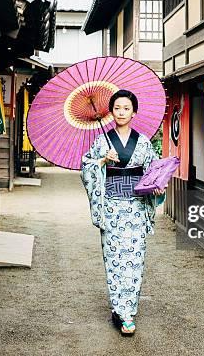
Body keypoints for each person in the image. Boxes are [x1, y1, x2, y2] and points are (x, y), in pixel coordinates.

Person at [80, 89, 165, 336]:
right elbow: (86, 168)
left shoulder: (144, 143)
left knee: (135, 259)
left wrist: (158, 185)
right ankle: (120, 310)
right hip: (111, 207)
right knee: (114, 260)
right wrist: (102, 161)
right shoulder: (101, 142)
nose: (121, 112)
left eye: (126, 108)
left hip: (136, 207)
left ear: (134, 112)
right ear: (111, 112)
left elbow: (153, 172)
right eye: (117, 108)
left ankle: (128, 309)